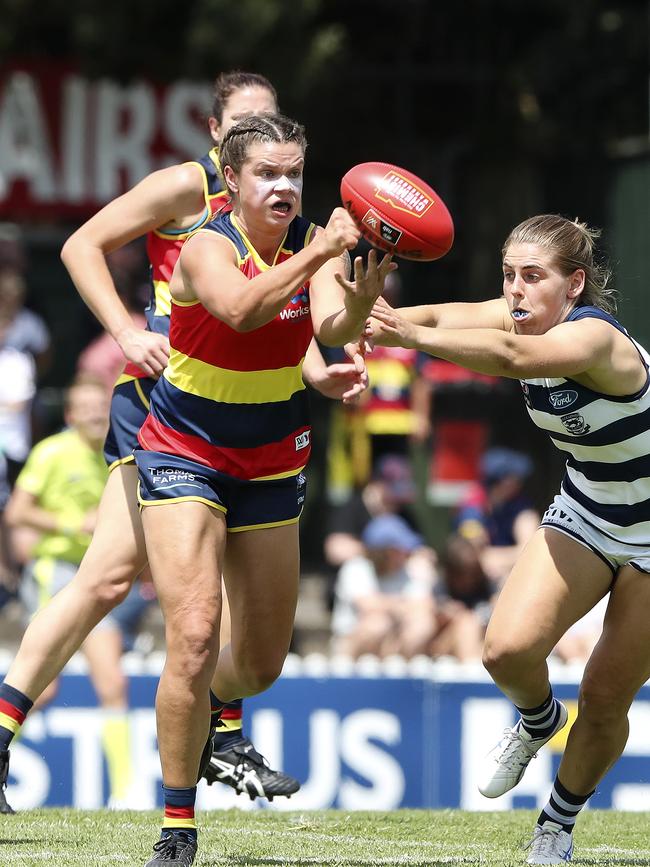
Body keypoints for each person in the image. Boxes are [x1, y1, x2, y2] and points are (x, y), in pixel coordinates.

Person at [0, 72, 367, 817]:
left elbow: (278, 321)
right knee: (109, 578)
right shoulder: (187, 190)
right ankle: (28, 724)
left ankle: (219, 727)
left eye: (275, 127)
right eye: (247, 126)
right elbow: (81, 246)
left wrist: (319, 368)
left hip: (242, 397)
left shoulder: (286, 219)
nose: (266, 138)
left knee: (218, 594)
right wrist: (126, 331)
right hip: (165, 400)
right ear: (217, 138)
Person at [133, 111, 391, 866]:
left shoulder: (313, 243)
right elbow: (243, 312)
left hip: (275, 457)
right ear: (233, 180)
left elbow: (333, 324)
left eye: (295, 174)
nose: (284, 186)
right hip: (184, 451)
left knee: (263, 662)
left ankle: (215, 706)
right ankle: (178, 826)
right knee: (192, 636)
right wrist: (322, 254)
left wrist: (363, 290)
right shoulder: (207, 244)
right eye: (268, 174)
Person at [369, 213, 650, 864]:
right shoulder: (517, 316)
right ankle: (539, 719)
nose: (515, 291)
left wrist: (402, 333)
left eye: (533, 276)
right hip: (591, 507)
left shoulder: (594, 341)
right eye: (507, 276)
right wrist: (370, 305)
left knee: (606, 694)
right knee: (504, 649)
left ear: (574, 284)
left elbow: (512, 357)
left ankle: (556, 824)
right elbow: (440, 319)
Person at [2, 374, 140, 807]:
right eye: (85, 407)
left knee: (111, 682)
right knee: (43, 691)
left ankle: (125, 792)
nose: (96, 414)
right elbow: (17, 512)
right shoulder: (52, 452)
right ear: (69, 415)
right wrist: (70, 525)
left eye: (100, 405)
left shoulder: (120, 453)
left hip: (101, 576)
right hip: (57, 572)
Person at [330, 513, 438, 658]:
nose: (406, 553)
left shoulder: (410, 570)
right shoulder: (355, 568)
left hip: (395, 641)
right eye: (399, 550)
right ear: (382, 553)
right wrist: (404, 606)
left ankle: (400, 675)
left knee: (422, 625)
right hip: (351, 644)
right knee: (377, 625)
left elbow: (426, 606)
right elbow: (368, 607)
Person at [455, 446, 540, 586]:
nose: (519, 483)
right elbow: (470, 549)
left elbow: (529, 552)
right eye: (515, 478)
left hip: (509, 574)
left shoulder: (521, 507)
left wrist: (497, 558)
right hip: (475, 576)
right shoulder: (474, 502)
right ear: (502, 481)